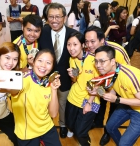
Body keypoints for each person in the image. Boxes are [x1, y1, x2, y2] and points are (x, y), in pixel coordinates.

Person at [0, 49, 62, 146]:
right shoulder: (24, 80)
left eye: (48, 63)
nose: (43, 65)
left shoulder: (49, 83)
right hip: (27, 134)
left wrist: (54, 90)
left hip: (47, 128)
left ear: (52, 66)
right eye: (40, 61)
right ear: (33, 61)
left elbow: (53, 114)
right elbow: (12, 88)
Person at [90, 45, 140, 146]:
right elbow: (113, 91)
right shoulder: (110, 72)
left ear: (113, 61)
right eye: (96, 61)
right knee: (110, 127)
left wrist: (117, 99)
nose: (98, 65)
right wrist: (97, 92)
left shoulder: (130, 76)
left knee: (124, 143)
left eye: (102, 61)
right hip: (128, 102)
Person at [84, 26, 130, 146]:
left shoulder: (117, 51)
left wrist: (114, 89)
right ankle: (98, 122)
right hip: (102, 80)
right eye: (87, 41)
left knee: (114, 107)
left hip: (118, 82)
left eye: (92, 41)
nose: (89, 45)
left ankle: (107, 132)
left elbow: (127, 68)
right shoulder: (90, 50)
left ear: (102, 39)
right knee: (101, 101)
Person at [38, 2, 77, 138]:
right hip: (44, 78)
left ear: (64, 18)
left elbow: (79, 59)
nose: (54, 20)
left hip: (66, 80)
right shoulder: (42, 32)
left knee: (63, 104)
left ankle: (62, 125)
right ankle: (45, 126)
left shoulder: (74, 35)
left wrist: (75, 76)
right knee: (43, 103)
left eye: (58, 17)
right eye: (51, 17)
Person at [65, 31, 99, 145]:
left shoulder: (94, 60)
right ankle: (75, 130)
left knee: (80, 132)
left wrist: (89, 102)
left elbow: (97, 85)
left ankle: (84, 140)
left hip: (90, 98)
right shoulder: (72, 59)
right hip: (73, 97)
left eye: (75, 44)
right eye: (69, 44)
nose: (71, 48)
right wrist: (73, 77)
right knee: (69, 124)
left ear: (83, 45)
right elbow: (75, 80)